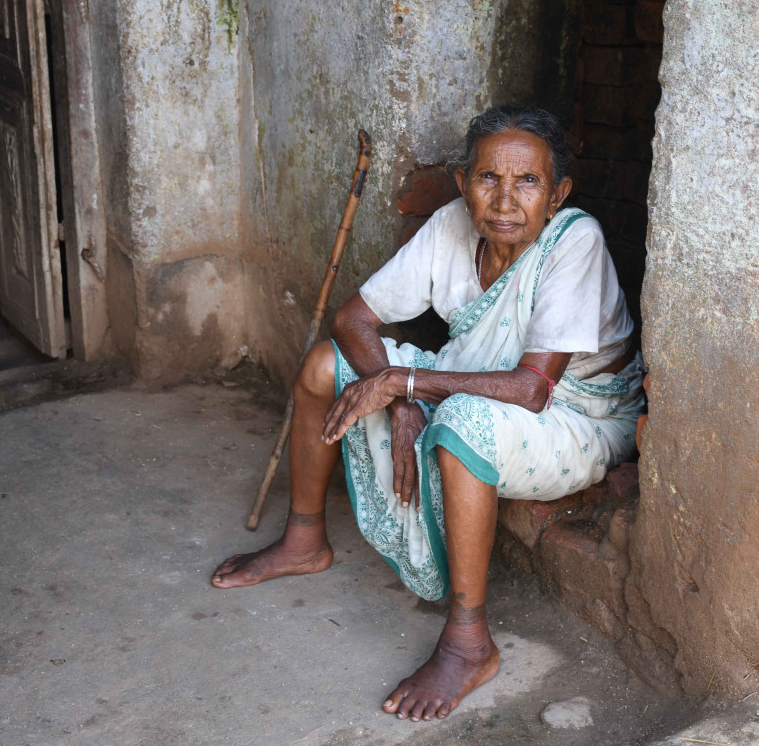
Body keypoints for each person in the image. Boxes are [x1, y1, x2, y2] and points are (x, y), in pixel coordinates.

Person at [212, 105, 645, 722]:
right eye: (488, 177)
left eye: (528, 181)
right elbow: (352, 320)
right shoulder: (451, 226)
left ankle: (469, 643)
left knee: (462, 421)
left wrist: (406, 382)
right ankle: (303, 540)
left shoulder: (575, 241)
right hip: (474, 381)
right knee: (323, 364)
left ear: (557, 194)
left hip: (576, 414)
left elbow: (532, 390)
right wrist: (403, 400)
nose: (505, 200)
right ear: (464, 183)